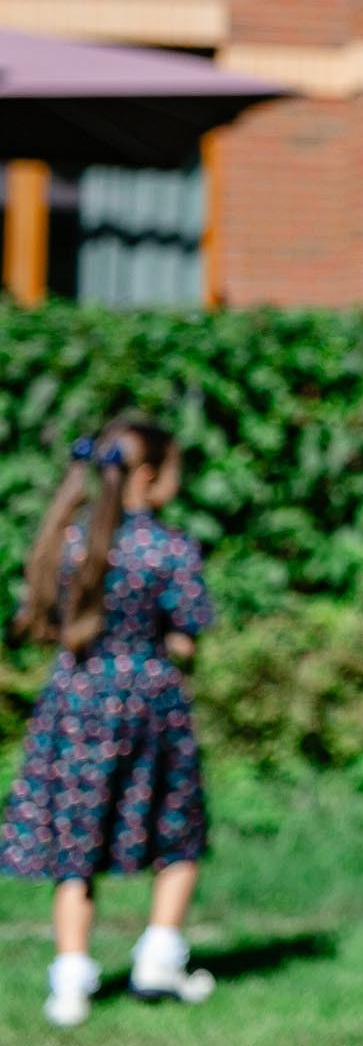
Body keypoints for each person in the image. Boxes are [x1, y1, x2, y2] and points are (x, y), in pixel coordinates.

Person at [1, 416, 218, 1029]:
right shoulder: (167, 547)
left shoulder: (64, 540)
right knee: (176, 831)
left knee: (77, 845)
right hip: (150, 701)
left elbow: (42, 615)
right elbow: (188, 630)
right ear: (147, 476)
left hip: (74, 699)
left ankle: (69, 981)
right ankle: (159, 957)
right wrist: (170, 645)